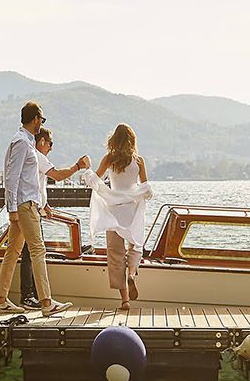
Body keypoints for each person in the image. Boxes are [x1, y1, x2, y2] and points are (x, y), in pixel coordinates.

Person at [0, 101, 72, 315]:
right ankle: (46, 302)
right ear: (36, 119)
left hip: (27, 204)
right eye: (41, 120)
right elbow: (12, 177)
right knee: (38, 249)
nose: (41, 124)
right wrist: (12, 209)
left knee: (13, 252)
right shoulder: (21, 142)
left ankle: (1, 299)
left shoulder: (25, 142)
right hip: (24, 205)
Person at [15, 127, 89, 306]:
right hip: (29, 210)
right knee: (31, 254)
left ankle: (28, 296)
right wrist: (77, 166)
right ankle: (30, 297)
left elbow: (36, 184)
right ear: (42, 142)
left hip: (32, 208)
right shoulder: (38, 157)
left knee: (26, 253)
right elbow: (57, 175)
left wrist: (44, 204)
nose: (51, 148)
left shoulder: (35, 156)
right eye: (50, 143)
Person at [92, 123, 150, 311]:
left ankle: (125, 300)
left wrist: (85, 170)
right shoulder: (139, 161)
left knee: (116, 254)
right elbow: (145, 186)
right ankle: (131, 273)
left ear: (113, 140)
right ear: (132, 140)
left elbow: (96, 179)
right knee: (135, 244)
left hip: (114, 211)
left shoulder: (110, 159)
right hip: (132, 210)